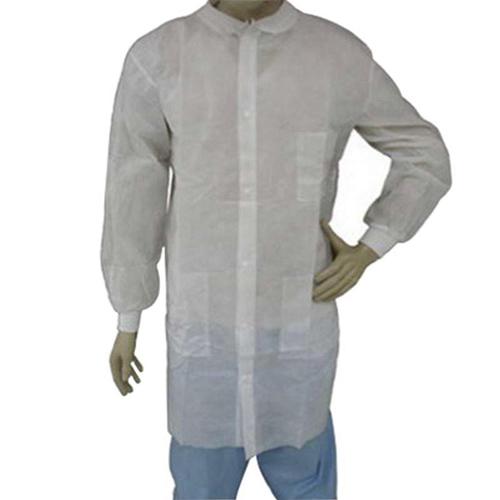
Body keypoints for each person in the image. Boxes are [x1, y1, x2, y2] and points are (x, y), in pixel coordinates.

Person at [101, 1, 452, 498]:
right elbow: (133, 189)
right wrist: (128, 315)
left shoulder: (336, 55)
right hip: (207, 336)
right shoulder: (160, 57)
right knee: (201, 488)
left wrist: (372, 245)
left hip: (296, 332)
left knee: (307, 482)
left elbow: (424, 153)